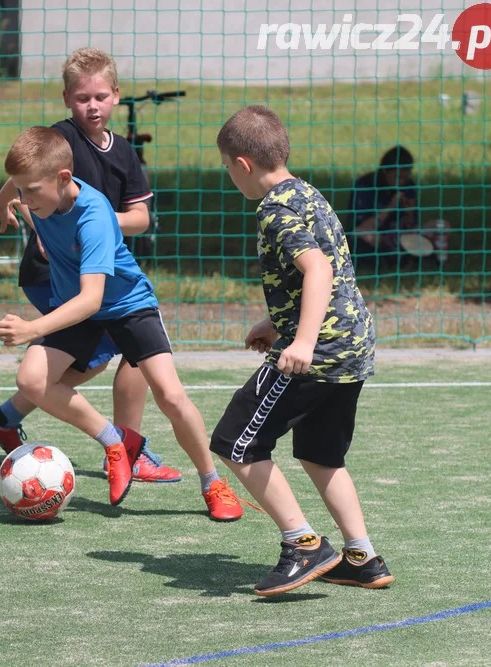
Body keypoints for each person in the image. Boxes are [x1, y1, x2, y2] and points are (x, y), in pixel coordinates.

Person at [0, 125, 241, 518]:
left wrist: (32, 328)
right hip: (75, 305)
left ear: (62, 179)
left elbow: (93, 299)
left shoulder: (94, 216)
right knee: (31, 381)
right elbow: (13, 185)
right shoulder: (36, 192)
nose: (24, 200)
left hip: (127, 304)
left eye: (31, 192)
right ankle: (115, 441)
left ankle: (212, 482)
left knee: (171, 396)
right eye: (20, 191)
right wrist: (2, 201)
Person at [0, 47, 190, 489]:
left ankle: (6, 417)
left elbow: (142, 219)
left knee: (84, 365)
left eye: (100, 97)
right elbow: (22, 176)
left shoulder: (124, 152)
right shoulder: (61, 140)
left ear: (116, 95)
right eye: (81, 98)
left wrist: (95, 225)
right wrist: (5, 203)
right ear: (67, 99)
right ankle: (128, 448)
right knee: (113, 353)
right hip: (53, 274)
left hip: (94, 269)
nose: (91, 106)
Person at [213, 105, 393, 596]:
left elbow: (316, 269)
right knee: (320, 454)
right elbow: (330, 270)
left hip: (321, 351)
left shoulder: (273, 210)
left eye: (228, 168)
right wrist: (275, 323)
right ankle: (362, 556)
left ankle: (303, 544)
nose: (231, 178)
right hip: (353, 347)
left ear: (244, 165)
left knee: (236, 442)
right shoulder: (308, 194)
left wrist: (303, 341)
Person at [350, 144, 449, 272]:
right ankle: (389, 262)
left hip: (403, 235)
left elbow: (411, 224)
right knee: (362, 234)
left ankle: (439, 262)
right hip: (378, 236)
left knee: (442, 225)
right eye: (398, 177)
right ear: (385, 171)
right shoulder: (365, 186)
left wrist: (409, 212)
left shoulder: (408, 185)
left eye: (405, 176)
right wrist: (391, 206)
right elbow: (362, 227)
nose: (402, 181)